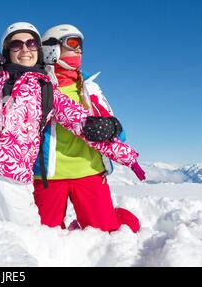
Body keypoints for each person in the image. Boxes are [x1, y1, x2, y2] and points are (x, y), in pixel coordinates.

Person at [0, 22, 145, 235]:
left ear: (38, 50)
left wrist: (124, 149)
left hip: (29, 175)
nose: (24, 49)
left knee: (35, 237)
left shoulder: (51, 89)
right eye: (16, 45)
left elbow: (83, 124)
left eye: (30, 43)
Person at [33, 24, 144, 233]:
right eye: (73, 43)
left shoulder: (90, 88)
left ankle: (116, 215)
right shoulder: (34, 86)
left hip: (89, 172)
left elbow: (121, 134)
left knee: (107, 232)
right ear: (51, 49)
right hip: (47, 176)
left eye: (81, 46)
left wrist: (113, 127)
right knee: (43, 235)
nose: (79, 50)